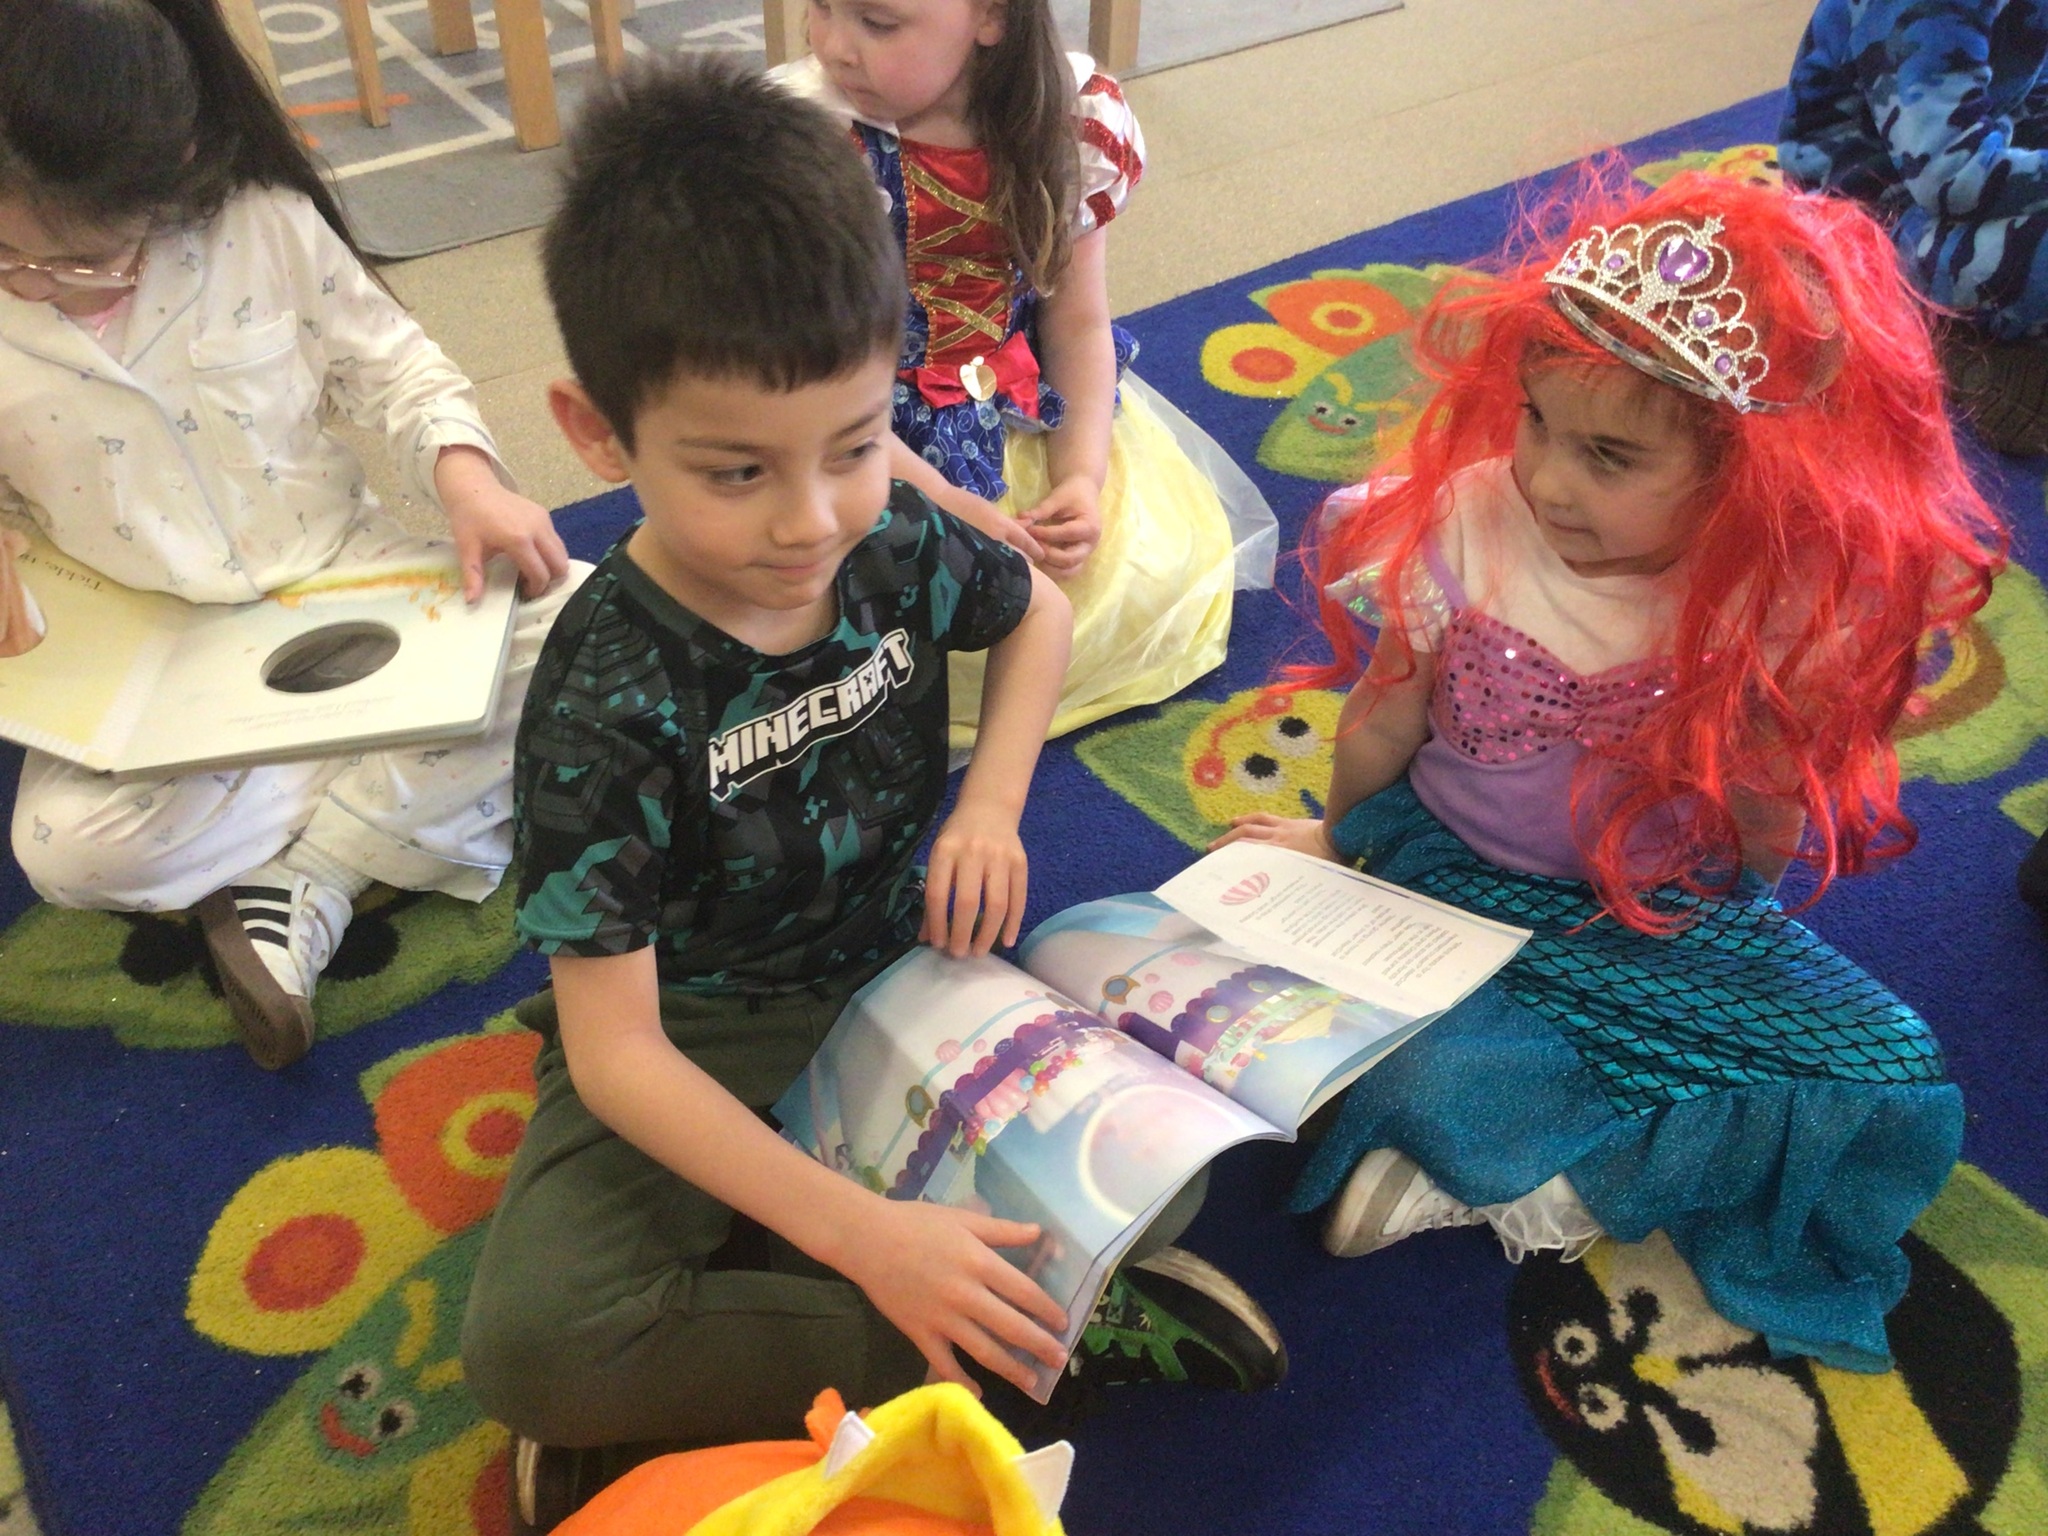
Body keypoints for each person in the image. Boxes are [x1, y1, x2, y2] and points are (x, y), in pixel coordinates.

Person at [458, 60, 1284, 1535]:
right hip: (696, 1024)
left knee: (1165, 1180)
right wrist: (865, 1239)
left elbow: (1034, 611)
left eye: (852, 446)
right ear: (596, 435)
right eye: (735, 472)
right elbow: (620, 1056)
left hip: (901, 969)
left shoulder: (887, 525)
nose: (812, 521)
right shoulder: (604, 692)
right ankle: (1033, 1330)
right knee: (536, 1347)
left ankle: (802, 1328)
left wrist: (991, 808)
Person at [1217, 169, 2005, 1374]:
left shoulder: (1769, 600)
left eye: (1608, 456)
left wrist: (1721, 939)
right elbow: (1382, 716)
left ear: (1745, 470)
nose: (1546, 478)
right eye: (1534, 420)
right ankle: (1494, 1153)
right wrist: (1336, 850)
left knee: (1889, 1071)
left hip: (1646, 906)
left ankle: (1520, 1166)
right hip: (1446, 872)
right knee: (1395, 1034)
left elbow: (1760, 819)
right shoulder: (1470, 522)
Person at [0, 0, 577, 1069]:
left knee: (587, 624)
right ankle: (393, 804)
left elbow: (396, 372)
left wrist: (467, 476)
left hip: (337, 580)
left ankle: (307, 876)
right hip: (146, 646)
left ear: (174, 175)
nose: (37, 285)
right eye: (7, 258)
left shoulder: (261, 227)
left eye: (81, 261)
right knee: (64, 853)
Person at [776, 0, 1277, 750]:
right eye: (820, 7)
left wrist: (1081, 477)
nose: (835, 48)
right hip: (854, 425)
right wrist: (940, 498)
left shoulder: (1071, 123)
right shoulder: (811, 143)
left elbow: (1077, 323)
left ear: (992, 18)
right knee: (890, 632)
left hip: (1021, 400)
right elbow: (810, 378)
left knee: (1142, 579)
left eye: (878, 24)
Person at [1779, 0, 2048, 454]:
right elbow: (1951, 176)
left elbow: (2033, 110)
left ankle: (1985, 339)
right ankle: (1946, 345)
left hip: (1957, 192)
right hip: (1866, 227)